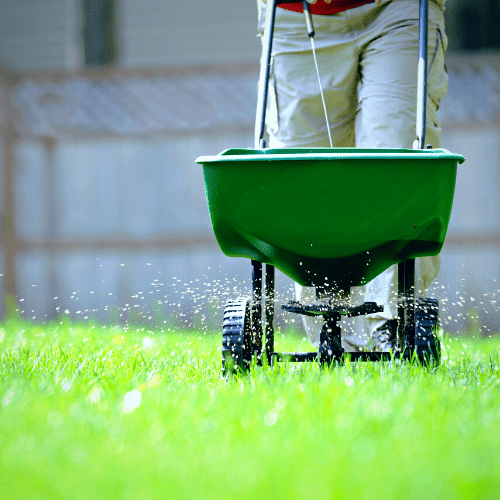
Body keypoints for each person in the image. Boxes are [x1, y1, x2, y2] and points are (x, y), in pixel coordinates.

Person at [256, 0, 448, 351]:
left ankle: (394, 325)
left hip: (397, 10)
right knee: (307, 178)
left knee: (396, 154)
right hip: (298, 17)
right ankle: (333, 334)